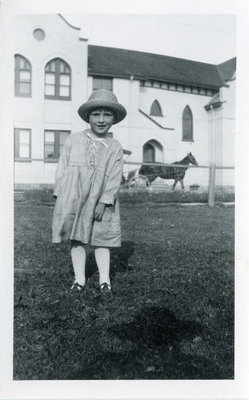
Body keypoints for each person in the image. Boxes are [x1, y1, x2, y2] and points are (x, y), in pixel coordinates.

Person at [52, 89, 127, 294]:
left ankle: (104, 280)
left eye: (107, 115)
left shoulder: (115, 147)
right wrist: (61, 194)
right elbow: (63, 168)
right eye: (96, 114)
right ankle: (79, 279)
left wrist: (104, 202)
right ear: (88, 117)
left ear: (114, 119)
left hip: (102, 200)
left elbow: (113, 177)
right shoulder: (73, 140)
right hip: (75, 196)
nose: (101, 120)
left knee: (101, 238)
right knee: (77, 238)